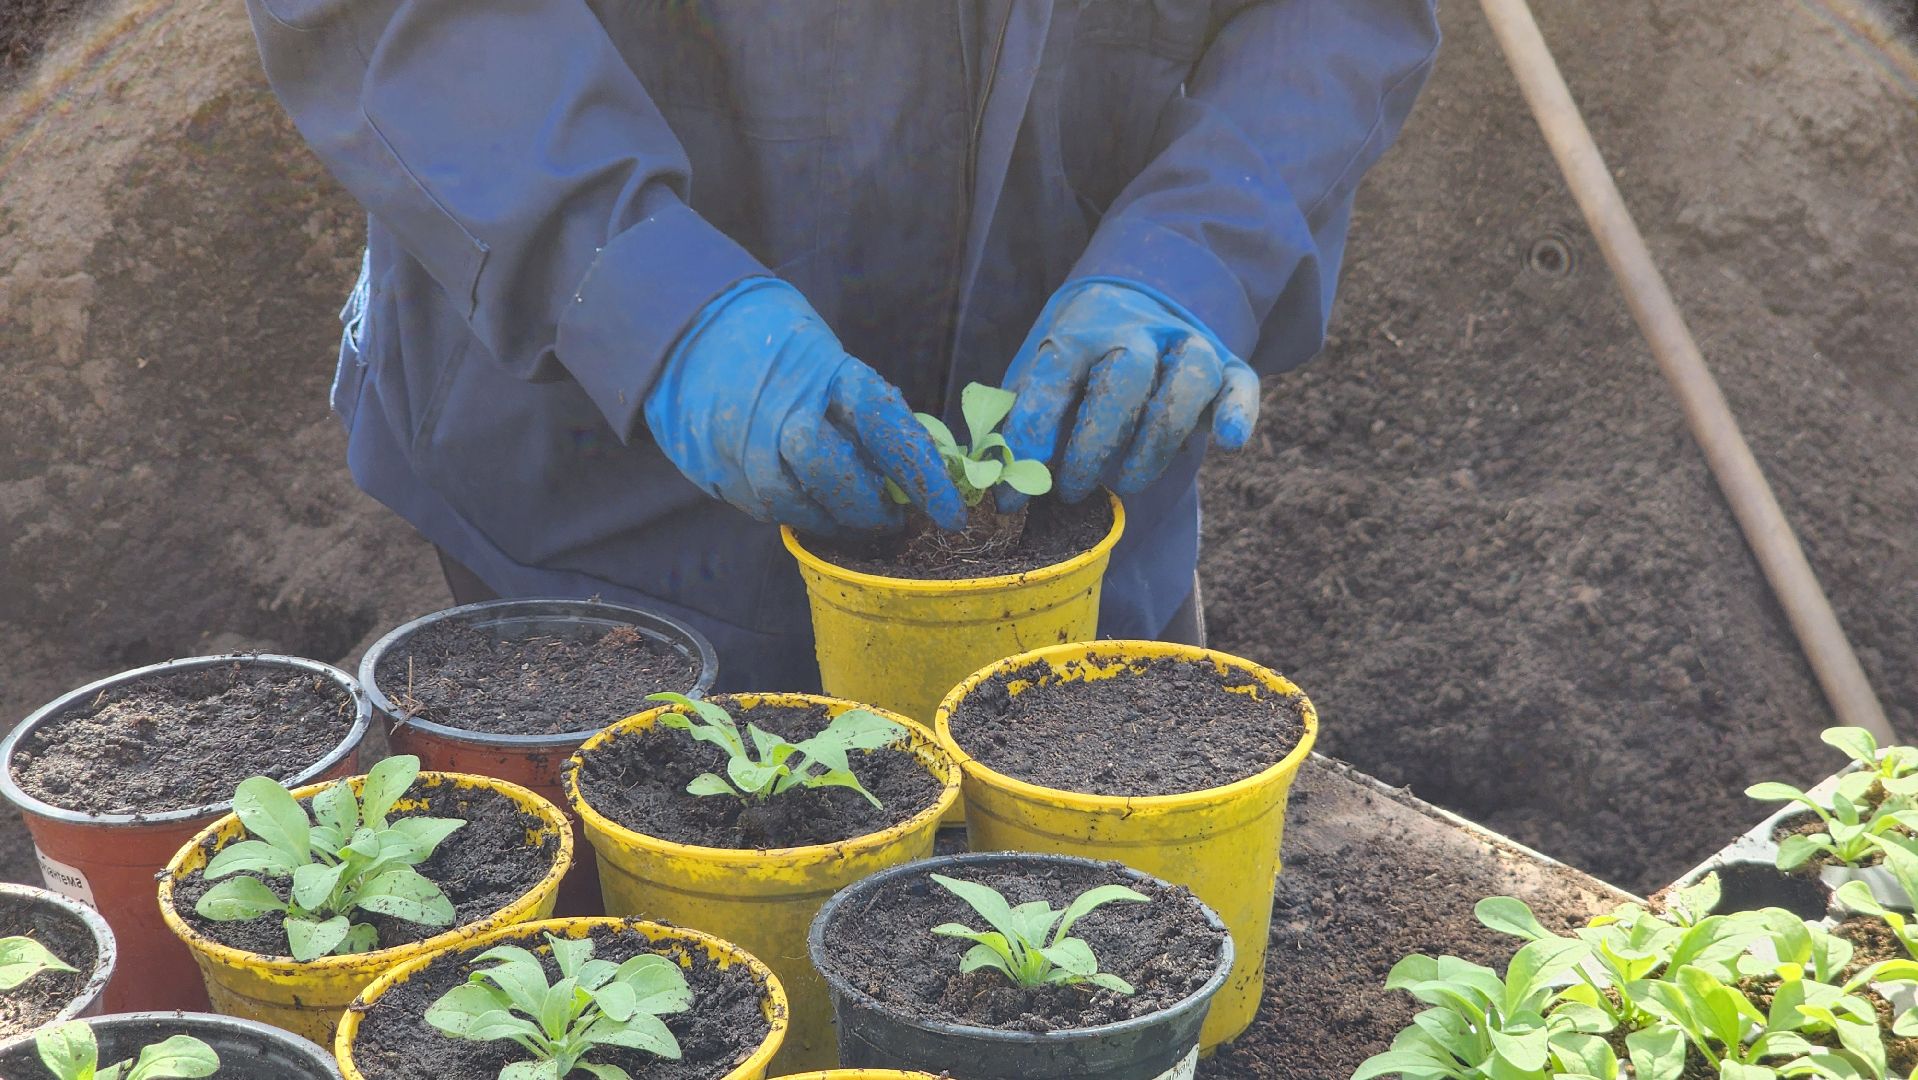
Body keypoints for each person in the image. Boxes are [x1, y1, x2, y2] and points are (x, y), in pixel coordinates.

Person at [248, 1, 1440, 690]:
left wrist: (1202, 245)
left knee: (1082, 948)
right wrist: (640, 293)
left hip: (1083, 505)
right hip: (603, 511)